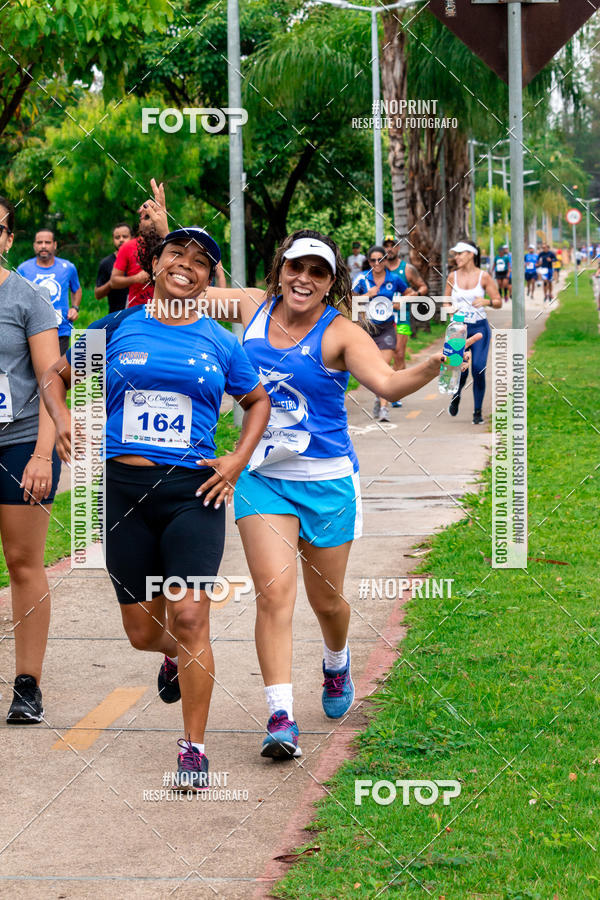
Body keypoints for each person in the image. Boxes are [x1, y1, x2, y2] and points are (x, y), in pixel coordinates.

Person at [202, 229, 481, 760]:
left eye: (318, 272)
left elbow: (389, 384)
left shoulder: (342, 333)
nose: (303, 279)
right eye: (296, 267)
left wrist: (438, 362)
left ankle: (336, 660)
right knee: (274, 596)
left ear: (332, 283)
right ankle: (280, 716)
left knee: (326, 601)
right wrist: (167, 239)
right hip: (263, 477)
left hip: (327, 482)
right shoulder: (250, 308)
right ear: (279, 269)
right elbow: (183, 286)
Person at [42, 226, 270, 789]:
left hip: (193, 494)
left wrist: (238, 459)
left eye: (200, 261)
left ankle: (193, 748)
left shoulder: (219, 340)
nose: (186, 265)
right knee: (144, 632)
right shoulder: (120, 327)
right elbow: (56, 376)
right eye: (176, 254)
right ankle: (174, 655)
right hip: (124, 493)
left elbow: (256, 400)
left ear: (209, 277)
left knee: (191, 616)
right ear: (157, 264)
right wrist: (65, 418)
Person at [0, 196, 62, 724]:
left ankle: (27, 685)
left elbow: (50, 381)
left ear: (8, 239)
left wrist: (43, 453)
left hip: (20, 443)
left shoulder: (28, 299)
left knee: (22, 563)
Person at [352, 245, 415, 422]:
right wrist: (367, 295)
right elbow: (348, 300)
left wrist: (400, 301)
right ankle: (379, 396)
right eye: (373, 260)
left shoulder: (394, 278)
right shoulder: (362, 279)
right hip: (367, 329)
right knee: (371, 369)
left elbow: (410, 293)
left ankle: (384, 408)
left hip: (387, 328)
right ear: (369, 261)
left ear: (386, 260)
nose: (377, 263)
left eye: (380, 259)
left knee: (384, 367)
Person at [444, 240, 501, 425]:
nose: (457, 257)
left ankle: (477, 411)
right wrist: (450, 311)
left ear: (471, 254)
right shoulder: (452, 277)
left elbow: (498, 301)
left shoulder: (484, 277)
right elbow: (444, 301)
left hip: (479, 327)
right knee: (458, 370)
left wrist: (487, 302)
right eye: (456, 254)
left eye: (460, 253)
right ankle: (456, 396)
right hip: (458, 329)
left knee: (478, 369)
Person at [17, 227, 81, 356]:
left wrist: (75, 308)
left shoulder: (68, 267)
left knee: (56, 371)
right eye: (39, 243)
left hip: (61, 329)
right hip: (32, 330)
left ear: (55, 245)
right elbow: (17, 297)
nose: (43, 246)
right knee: (35, 373)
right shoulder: (23, 269)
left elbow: (77, 289)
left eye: (47, 242)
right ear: (34, 245)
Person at [111, 180, 167, 307]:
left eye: (155, 216)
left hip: (165, 311)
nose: (153, 220)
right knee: (97, 326)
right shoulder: (127, 247)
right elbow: (114, 281)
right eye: (147, 218)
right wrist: (135, 279)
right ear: (140, 223)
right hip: (136, 310)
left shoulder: (169, 243)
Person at [94, 223, 132, 313]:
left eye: (125, 236)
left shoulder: (140, 261)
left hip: (139, 315)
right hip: (115, 316)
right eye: (117, 237)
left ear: (132, 238)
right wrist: (111, 284)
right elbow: (97, 294)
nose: (121, 240)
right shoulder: (106, 263)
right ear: (113, 240)